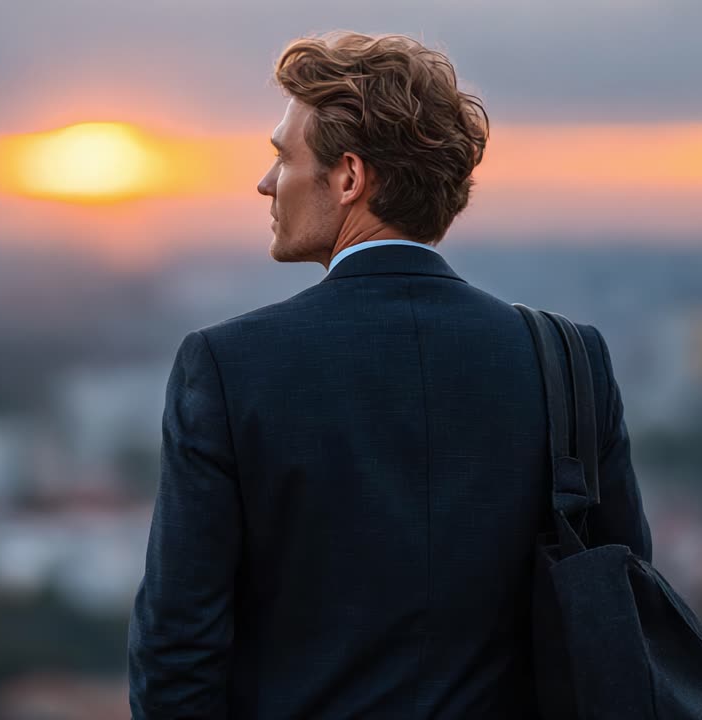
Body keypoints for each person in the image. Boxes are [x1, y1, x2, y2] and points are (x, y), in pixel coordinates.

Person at [128, 30, 652, 719]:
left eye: (283, 157)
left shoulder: (230, 367)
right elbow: (622, 617)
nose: (264, 182)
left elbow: (179, 651)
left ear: (348, 177)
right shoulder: (568, 361)